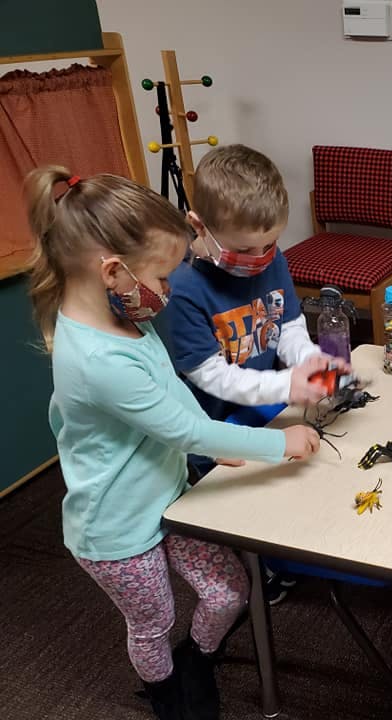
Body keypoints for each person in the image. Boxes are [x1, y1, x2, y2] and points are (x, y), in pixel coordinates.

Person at [26, 166, 321, 720]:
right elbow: (185, 427)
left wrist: (225, 449)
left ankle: (198, 660)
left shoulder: (124, 320)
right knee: (152, 623)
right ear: (112, 271)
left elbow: (174, 399)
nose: (167, 290)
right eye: (160, 278)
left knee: (228, 592)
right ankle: (165, 693)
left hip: (170, 495)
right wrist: (279, 445)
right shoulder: (97, 359)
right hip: (115, 528)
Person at [163, 144, 344, 603]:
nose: (260, 257)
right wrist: (288, 383)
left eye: (270, 244)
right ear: (198, 226)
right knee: (237, 516)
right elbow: (211, 376)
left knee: (284, 487)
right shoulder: (182, 288)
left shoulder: (270, 258)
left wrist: (308, 359)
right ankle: (257, 573)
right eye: (245, 248)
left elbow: (288, 324)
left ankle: (276, 561)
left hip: (265, 409)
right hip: (215, 430)